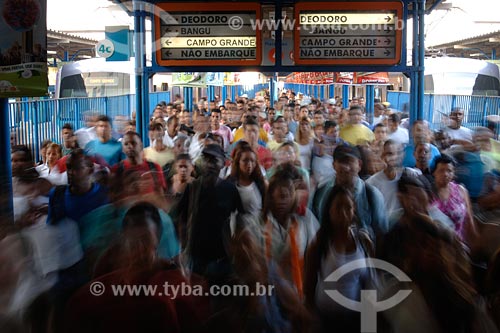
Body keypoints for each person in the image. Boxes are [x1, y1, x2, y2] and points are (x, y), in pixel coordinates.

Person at [304, 186, 374, 332]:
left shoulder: (362, 240)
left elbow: (368, 282)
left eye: (348, 207)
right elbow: (309, 286)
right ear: (329, 210)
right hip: (326, 318)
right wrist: (311, 317)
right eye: (338, 207)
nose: (343, 213)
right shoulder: (319, 243)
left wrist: (369, 322)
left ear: (354, 210)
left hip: (355, 316)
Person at [175, 144, 244, 280]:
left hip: (221, 255)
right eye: (206, 159)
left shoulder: (230, 190)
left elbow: (240, 219)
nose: (209, 164)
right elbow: (180, 218)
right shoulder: (193, 188)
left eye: (214, 160)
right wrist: (183, 246)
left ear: (223, 164)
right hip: (196, 255)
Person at [261, 165, 319, 297]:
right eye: (279, 196)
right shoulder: (260, 222)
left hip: (299, 290)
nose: (282, 201)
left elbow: (315, 253)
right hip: (269, 294)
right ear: (271, 195)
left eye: (286, 195)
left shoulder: (305, 218)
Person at [313, 145, 388, 241]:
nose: (346, 167)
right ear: (334, 165)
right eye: (341, 162)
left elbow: (381, 234)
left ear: (359, 165)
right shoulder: (322, 192)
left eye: (350, 162)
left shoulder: (372, 195)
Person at [431, 154, 478, 244]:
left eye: (449, 171)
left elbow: (469, 218)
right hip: (436, 246)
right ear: (434, 172)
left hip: (459, 244)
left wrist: (474, 241)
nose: (445, 174)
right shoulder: (428, 194)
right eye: (441, 170)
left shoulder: (461, 191)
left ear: (453, 173)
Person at [366, 140, 421, 217]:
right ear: (383, 156)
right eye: (390, 154)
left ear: (403, 154)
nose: (394, 157)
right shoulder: (371, 183)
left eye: (398, 152)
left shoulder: (412, 175)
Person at [111, 132, 166, 201]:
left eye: (133, 143)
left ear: (141, 146)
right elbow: (113, 199)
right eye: (126, 144)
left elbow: (161, 197)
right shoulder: (116, 170)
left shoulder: (154, 167)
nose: (130, 146)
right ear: (122, 149)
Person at [226, 143, 266, 218]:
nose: (249, 165)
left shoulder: (260, 182)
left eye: (252, 161)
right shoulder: (230, 182)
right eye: (245, 161)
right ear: (238, 162)